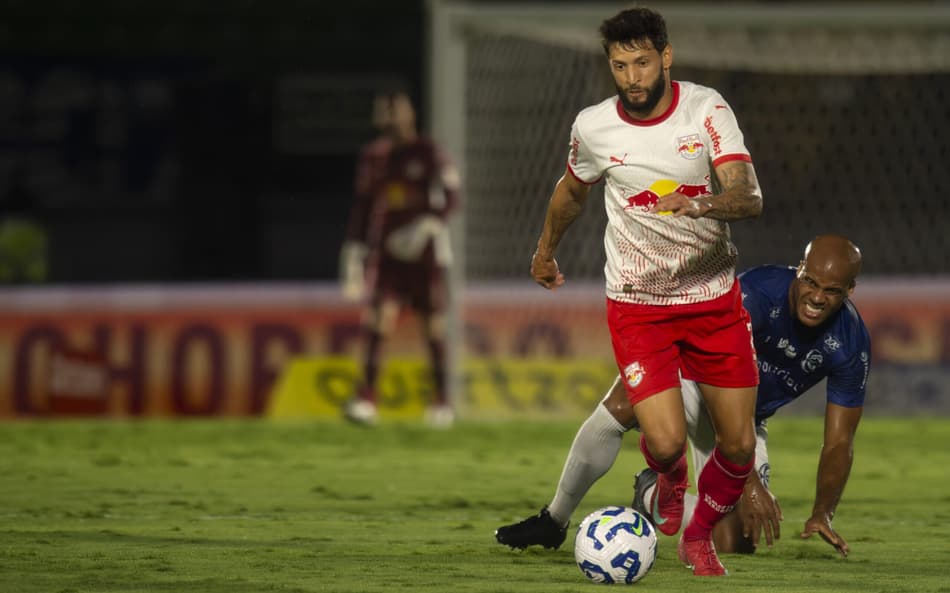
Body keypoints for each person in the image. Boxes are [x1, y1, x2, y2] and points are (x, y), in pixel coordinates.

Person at [496, 7, 764, 576]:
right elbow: (572, 191)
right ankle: (666, 478)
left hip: (714, 300)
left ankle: (697, 536)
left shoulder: (705, 108)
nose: (632, 77)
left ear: (666, 57)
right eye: (620, 66)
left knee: (738, 448)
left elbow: (748, 196)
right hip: (639, 306)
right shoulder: (594, 126)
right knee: (666, 444)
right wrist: (545, 251)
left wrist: (700, 202)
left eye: (642, 63)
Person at [631, 234, 868, 558]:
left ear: (849, 290)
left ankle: (650, 493)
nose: (817, 297)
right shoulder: (757, 294)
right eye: (812, 282)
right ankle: (556, 514)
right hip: (697, 389)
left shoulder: (851, 344)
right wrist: (750, 480)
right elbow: (713, 376)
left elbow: (840, 440)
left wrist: (822, 512)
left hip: (745, 422)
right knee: (621, 404)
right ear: (800, 269)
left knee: (739, 542)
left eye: (832, 290)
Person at [338, 85, 461, 428]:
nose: (390, 116)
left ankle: (441, 403)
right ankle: (366, 401)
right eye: (384, 110)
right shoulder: (374, 156)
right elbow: (363, 205)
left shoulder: (429, 152)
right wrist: (353, 251)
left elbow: (453, 196)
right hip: (387, 254)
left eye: (395, 108)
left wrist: (428, 225)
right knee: (377, 321)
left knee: (433, 328)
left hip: (425, 256)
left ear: (410, 113)